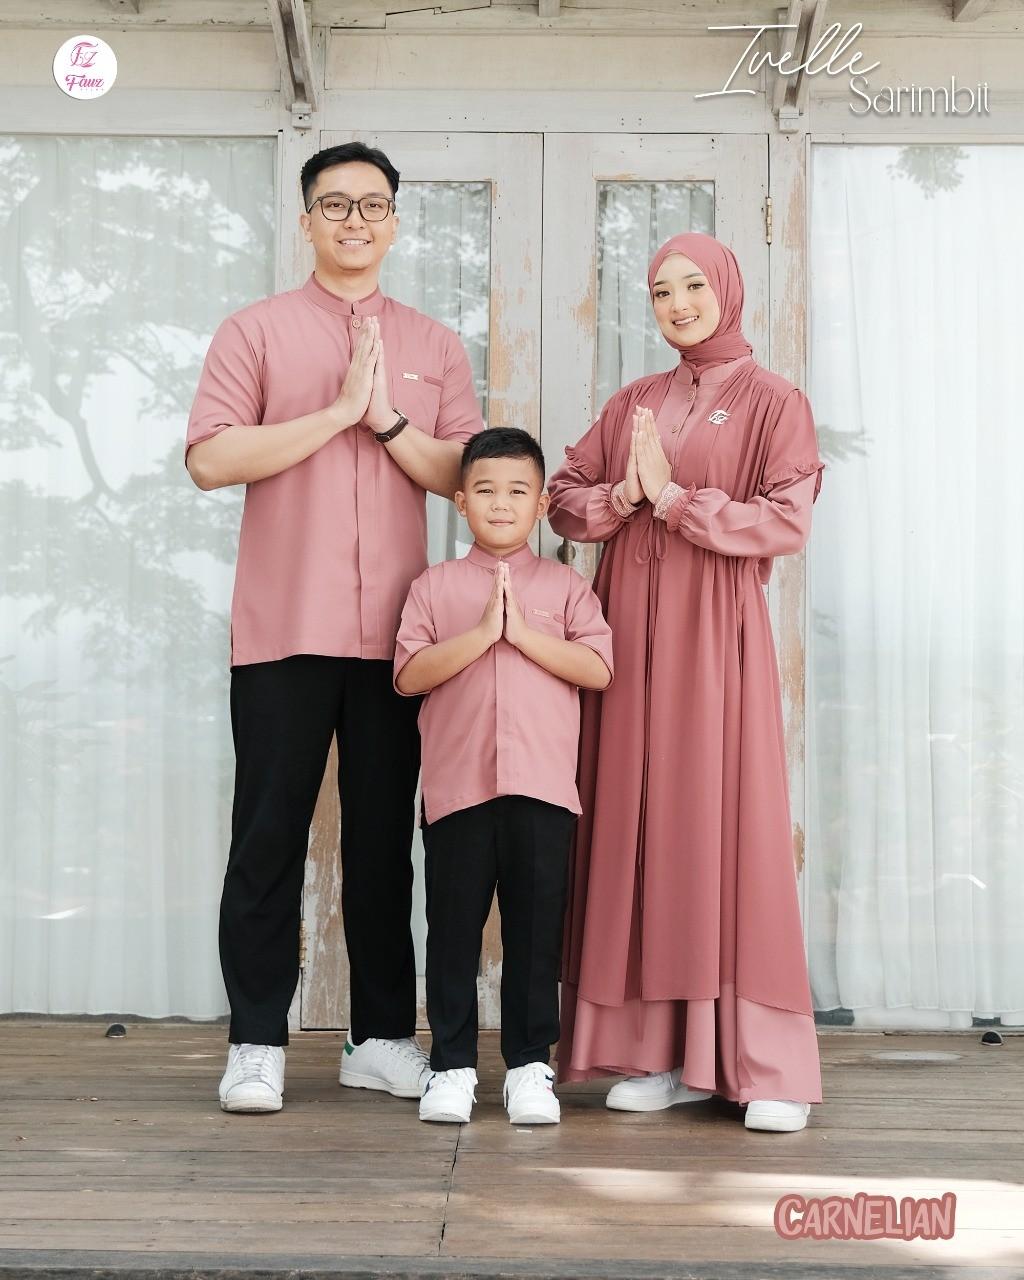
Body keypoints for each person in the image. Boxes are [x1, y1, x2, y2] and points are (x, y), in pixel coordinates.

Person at [185, 143, 484, 1114]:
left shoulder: (435, 344)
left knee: (384, 843)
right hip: (283, 629)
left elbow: (463, 476)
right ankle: (256, 1041)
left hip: (400, 638)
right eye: (337, 204)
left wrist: (386, 420)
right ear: (307, 220)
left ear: (395, 221)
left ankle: (379, 1037)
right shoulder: (256, 331)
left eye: (373, 204)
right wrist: (339, 411)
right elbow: (210, 458)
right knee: (267, 837)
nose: (356, 220)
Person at [546, 232, 825, 1134]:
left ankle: (760, 1063)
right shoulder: (633, 400)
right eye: (662, 291)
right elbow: (563, 499)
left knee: (723, 825)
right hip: (626, 635)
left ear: (728, 289)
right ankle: (658, 1053)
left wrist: (671, 500)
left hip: (715, 636)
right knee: (639, 825)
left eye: (694, 285)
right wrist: (625, 497)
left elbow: (785, 522)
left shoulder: (776, 401)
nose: (678, 304)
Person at [393, 428, 614, 1126]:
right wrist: (482, 634)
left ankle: (529, 1067)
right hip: (457, 792)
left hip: (543, 792)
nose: (501, 504)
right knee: (452, 933)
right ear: (460, 502)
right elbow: (408, 675)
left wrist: (522, 634)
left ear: (542, 504)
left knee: (535, 934)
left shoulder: (566, 588)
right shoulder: (433, 587)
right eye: (485, 490)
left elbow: (598, 669)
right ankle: (452, 1066)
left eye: (518, 491)